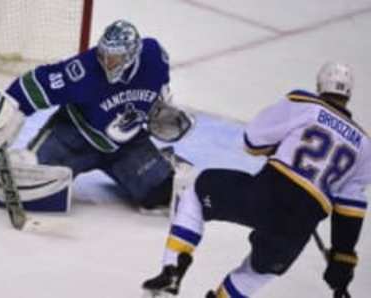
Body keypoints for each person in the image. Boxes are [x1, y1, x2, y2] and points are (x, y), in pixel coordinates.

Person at [0, 20, 194, 214]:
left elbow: (158, 94)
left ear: (132, 56)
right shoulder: (83, 71)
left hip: (128, 146)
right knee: (25, 184)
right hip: (73, 140)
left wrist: (162, 111)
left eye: (115, 58)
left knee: (161, 197)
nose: (107, 62)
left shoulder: (155, 58)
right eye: (105, 54)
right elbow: (27, 88)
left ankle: (163, 159)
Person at [141, 62, 371, 297]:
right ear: (348, 94)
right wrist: (342, 259)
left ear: (320, 85)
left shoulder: (305, 104)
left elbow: (252, 140)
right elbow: (350, 208)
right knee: (259, 271)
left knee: (197, 190)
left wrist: (276, 146)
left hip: (268, 196)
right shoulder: (364, 144)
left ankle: (172, 270)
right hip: (301, 224)